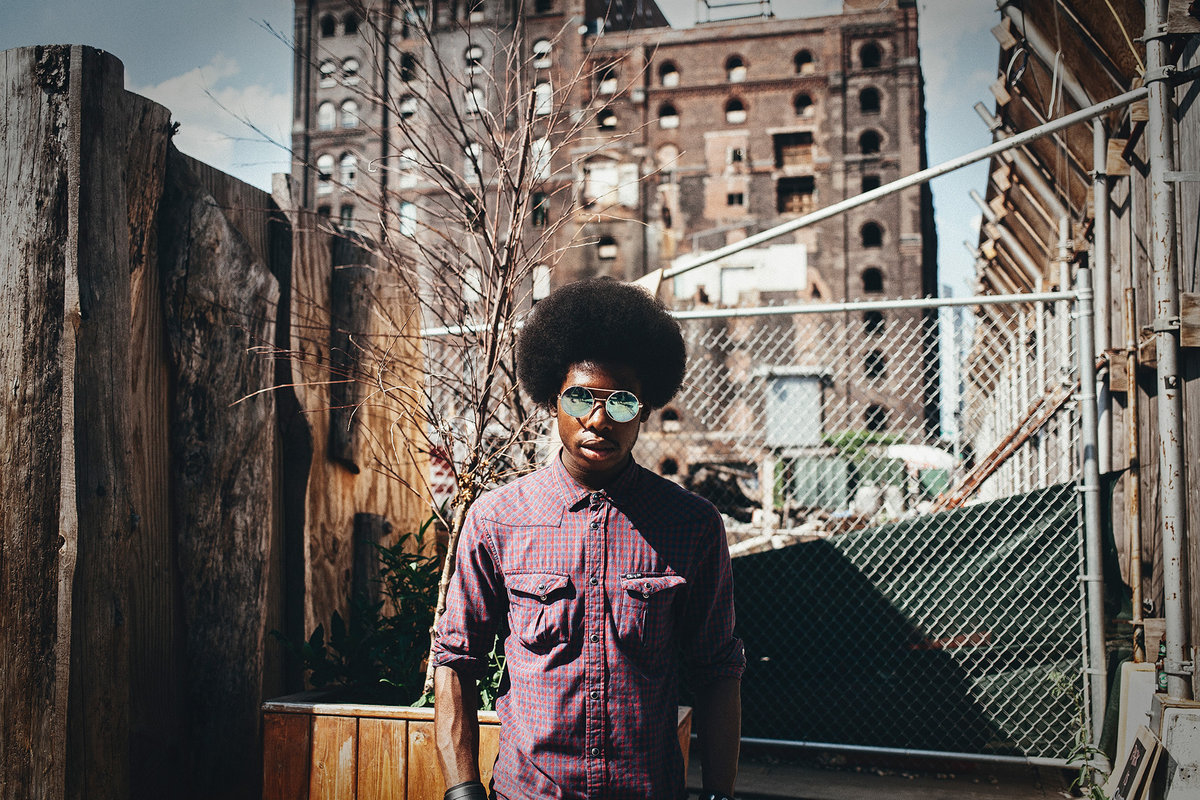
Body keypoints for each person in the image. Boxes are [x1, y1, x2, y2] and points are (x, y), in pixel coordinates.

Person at [432, 277, 744, 800]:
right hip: (529, 792)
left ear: (646, 408)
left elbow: (719, 669)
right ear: (551, 400)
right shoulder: (497, 519)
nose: (598, 420)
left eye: (621, 402)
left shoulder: (692, 525)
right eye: (580, 398)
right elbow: (455, 657)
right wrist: (462, 791)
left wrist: (719, 795)